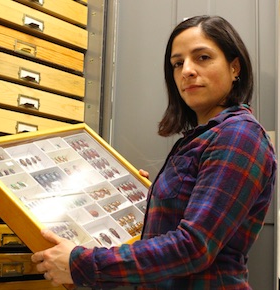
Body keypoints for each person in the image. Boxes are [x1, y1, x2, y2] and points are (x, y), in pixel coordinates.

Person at [31, 15, 277, 289]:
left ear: (234, 67)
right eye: (178, 63)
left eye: (203, 57)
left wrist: (83, 265)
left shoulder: (238, 136)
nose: (187, 71)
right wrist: (146, 197)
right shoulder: (203, 137)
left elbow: (194, 247)